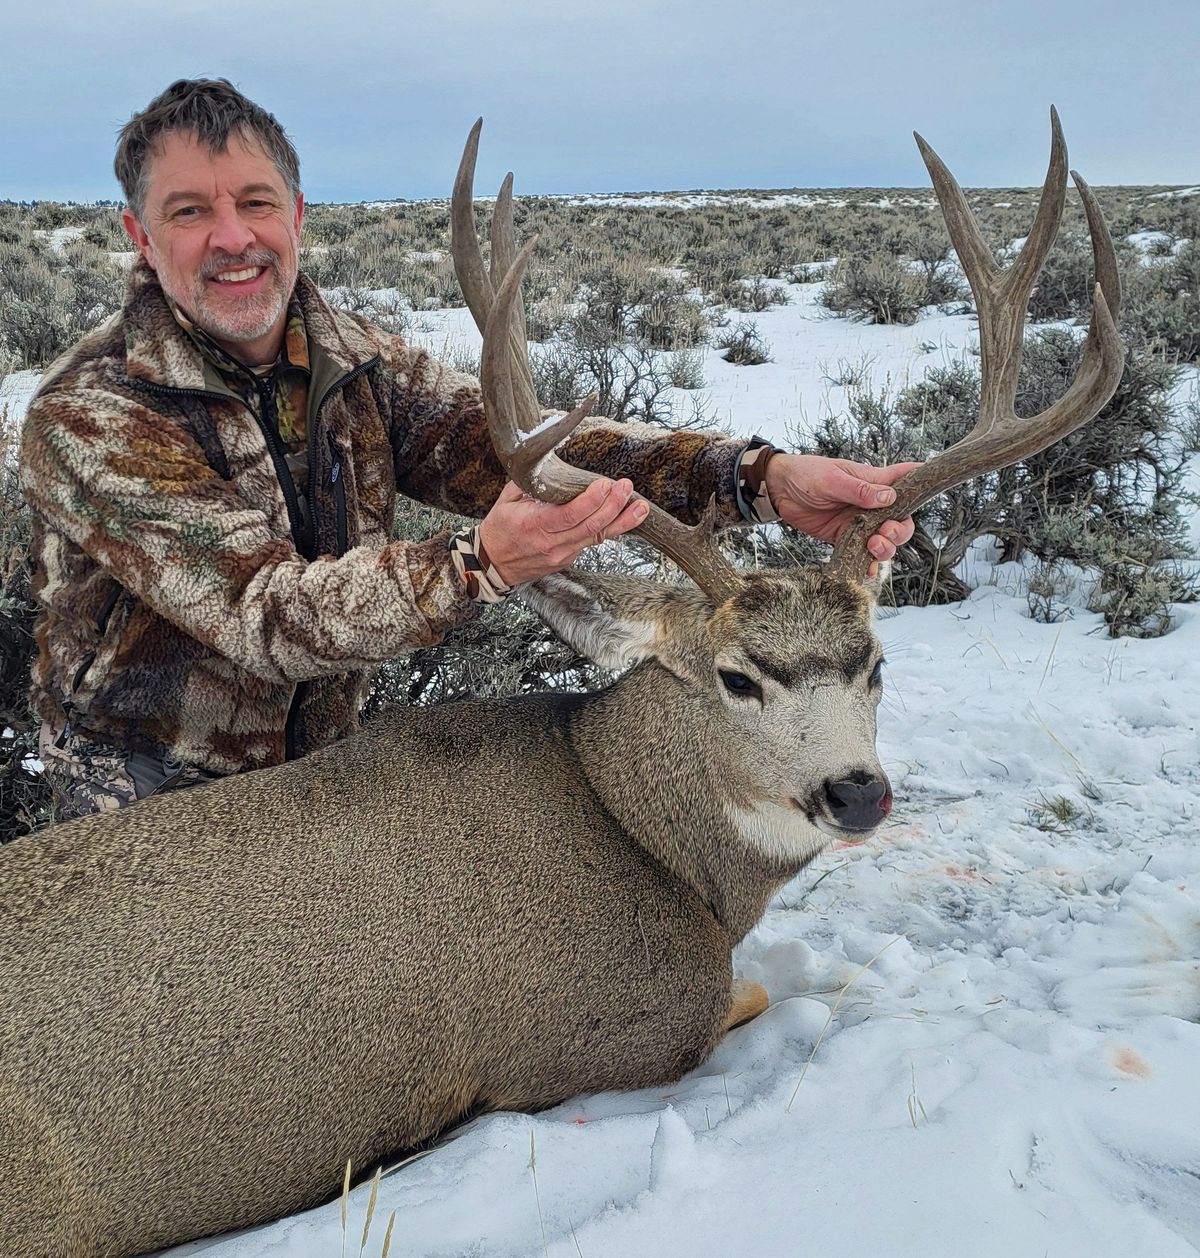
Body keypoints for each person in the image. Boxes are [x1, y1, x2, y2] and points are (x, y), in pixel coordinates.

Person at [19, 78, 916, 819]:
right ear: (138, 234)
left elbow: (529, 453)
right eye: (188, 212)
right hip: (149, 786)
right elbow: (263, 614)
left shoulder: (355, 361)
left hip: (328, 763)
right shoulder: (91, 414)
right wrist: (476, 566)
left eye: (255, 202)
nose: (232, 237)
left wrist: (758, 479)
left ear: (295, 211)